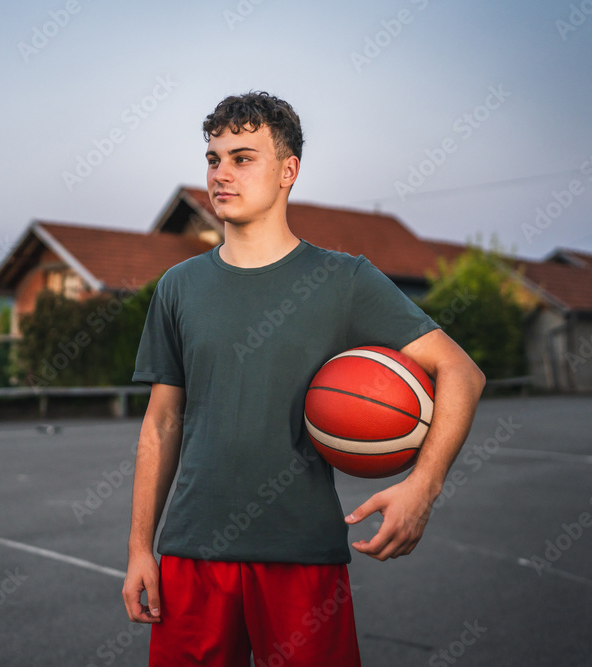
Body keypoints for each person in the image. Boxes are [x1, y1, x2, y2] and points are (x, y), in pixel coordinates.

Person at [122, 91, 486, 666]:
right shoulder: (178, 287)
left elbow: (461, 372)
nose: (222, 173)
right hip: (192, 552)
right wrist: (141, 548)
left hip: (301, 556)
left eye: (243, 158)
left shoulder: (344, 280)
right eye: (214, 159)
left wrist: (423, 486)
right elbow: (161, 423)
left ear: (289, 170)